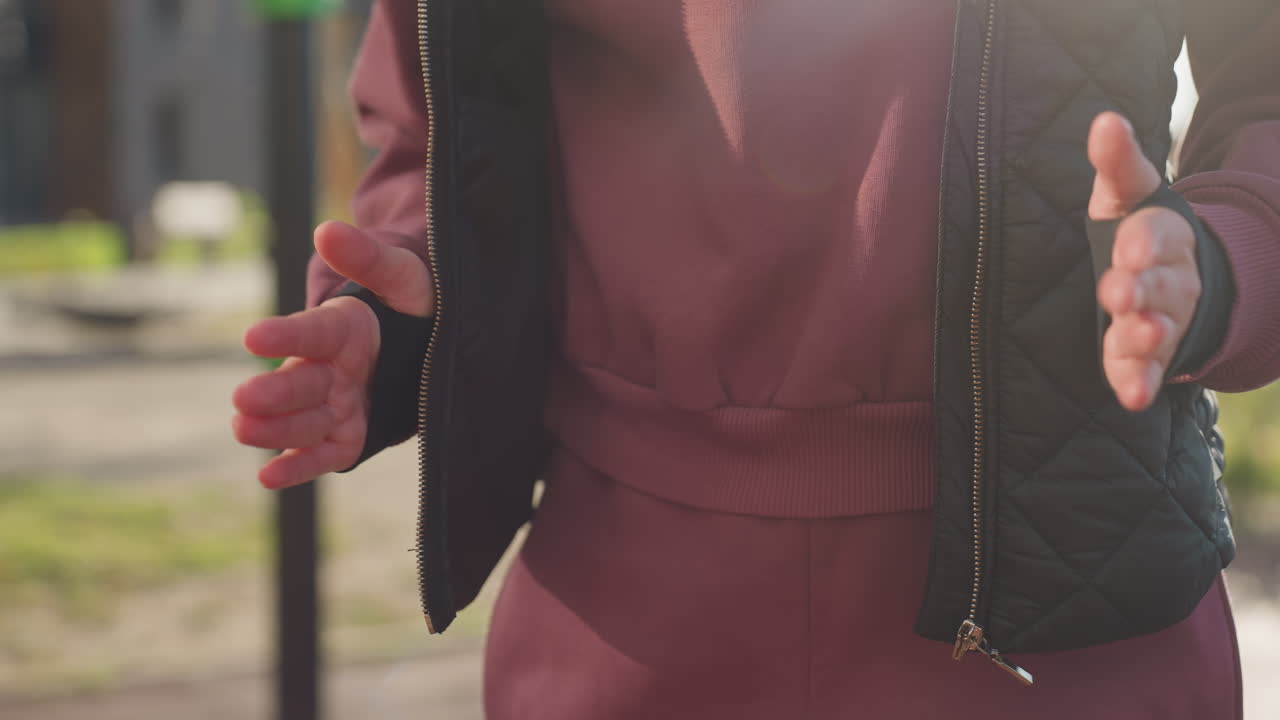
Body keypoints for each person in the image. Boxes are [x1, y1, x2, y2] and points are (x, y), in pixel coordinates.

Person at [232, 1, 1280, 717]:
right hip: (618, 626)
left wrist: (1210, 265)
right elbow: (439, 130)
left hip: (1070, 630)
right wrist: (399, 318)